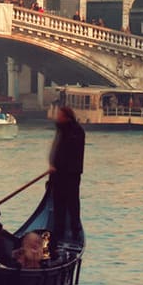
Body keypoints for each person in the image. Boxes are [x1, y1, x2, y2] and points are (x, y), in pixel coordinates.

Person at [47, 104, 85, 251]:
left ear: (67, 117)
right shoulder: (61, 130)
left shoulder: (76, 132)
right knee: (59, 206)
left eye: (59, 115)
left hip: (70, 175)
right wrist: (52, 165)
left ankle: (74, 232)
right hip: (57, 175)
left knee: (72, 204)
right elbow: (56, 150)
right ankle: (58, 234)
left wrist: (57, 165)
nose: (57, 117)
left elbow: (68, 152)